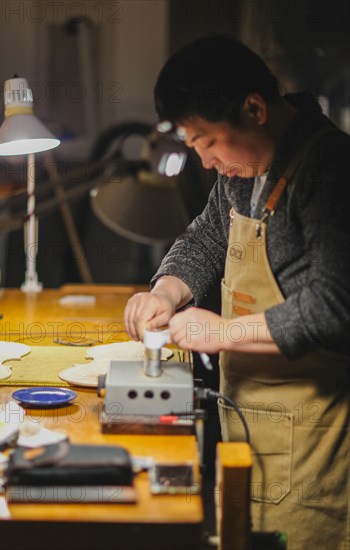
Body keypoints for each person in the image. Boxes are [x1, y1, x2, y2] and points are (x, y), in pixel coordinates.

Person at [123, 35, 350, 549]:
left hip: (316, 438)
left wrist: (223, 330)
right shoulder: (242, 167)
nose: (204, 161)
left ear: (254, 109)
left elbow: (335, 307)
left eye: (206, 141)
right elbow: (206, 237)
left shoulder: (328, 167)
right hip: (249, 422)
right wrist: (166, 291)